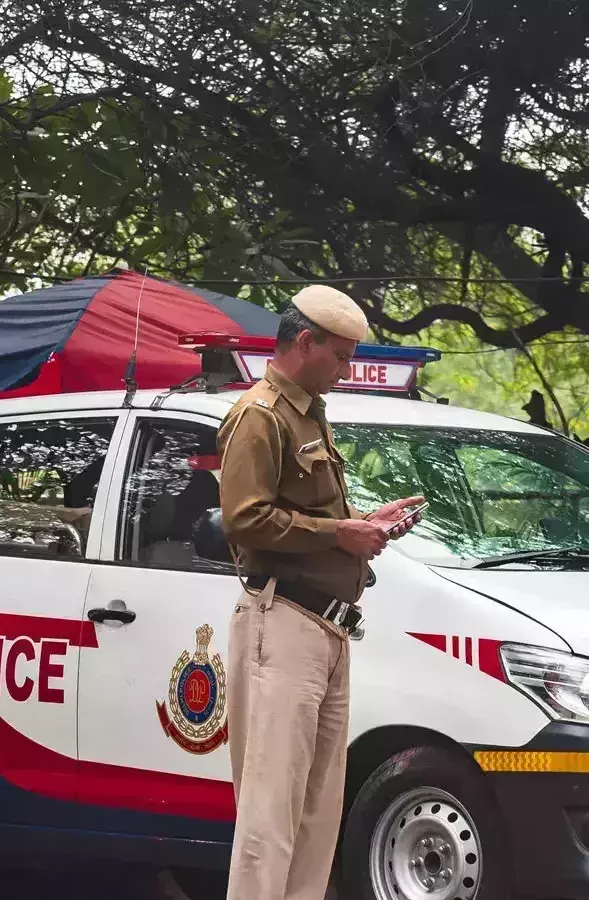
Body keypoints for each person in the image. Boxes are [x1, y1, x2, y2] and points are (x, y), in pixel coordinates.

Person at [217, 284, 425, 900]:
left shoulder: (308, 411)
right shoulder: (259, 415)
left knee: (317, 811)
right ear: (305, 343)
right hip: (280, 619)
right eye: (340, 355)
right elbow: (246, 519)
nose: (345, 368)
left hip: (327, 626)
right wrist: (342, 531)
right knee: (270, 809)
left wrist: (364, 524)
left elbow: (305, 517)